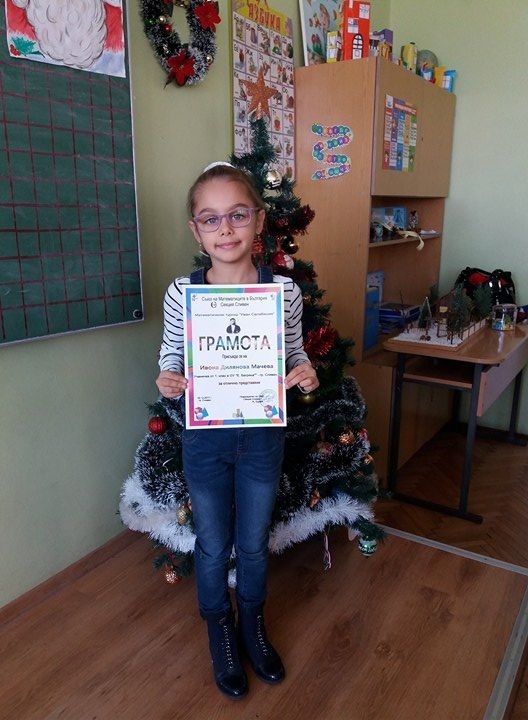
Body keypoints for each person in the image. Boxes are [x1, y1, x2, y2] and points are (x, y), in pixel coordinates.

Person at [156, 161, 319, 699]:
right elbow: (171, 355)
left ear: (259, 220)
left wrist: (304, 371)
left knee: (251, 543)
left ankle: (251, 620)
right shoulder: (183, 292)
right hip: (205, 438)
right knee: (212, 543)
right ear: (195, 230)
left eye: (237, 215)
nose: (225, 229)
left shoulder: (283, 291)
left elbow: (293, 352)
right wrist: (169, 377)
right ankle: (219, 628)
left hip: (261, 438)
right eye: (210, 219)